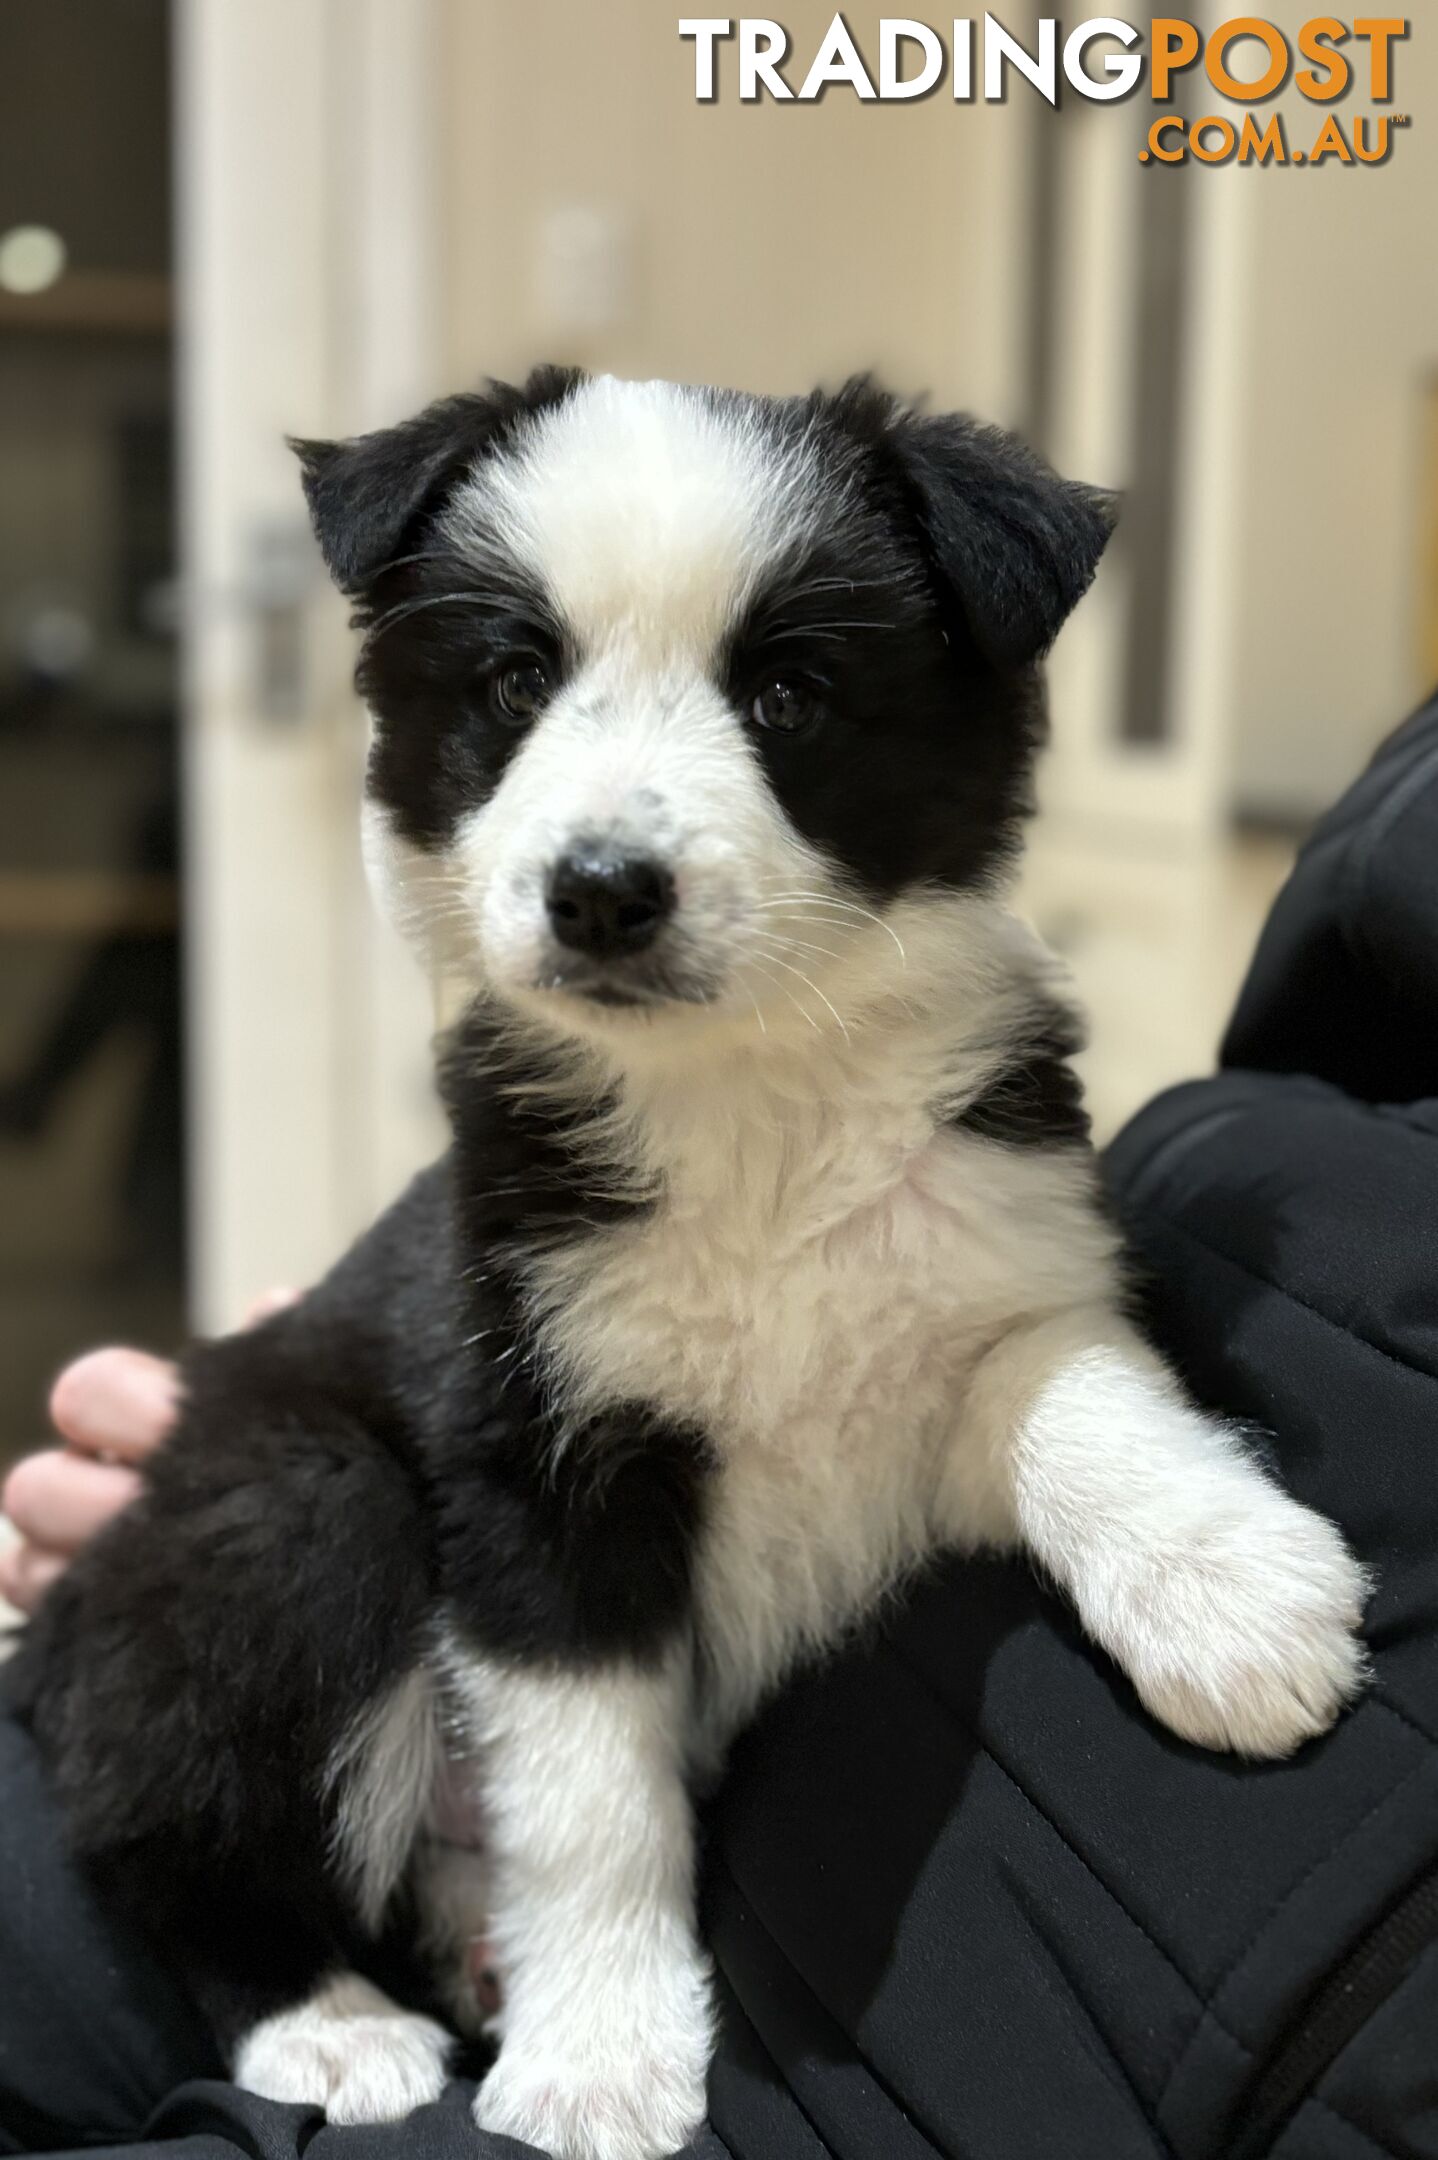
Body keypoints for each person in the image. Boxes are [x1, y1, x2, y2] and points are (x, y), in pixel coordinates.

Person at [4, 699, 1437, 2160]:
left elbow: (963, 1374)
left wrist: (1131, 1498)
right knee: (287, 1543)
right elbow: (518, 1503)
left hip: (778, 1976)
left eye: (777, 701)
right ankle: (268, 1966)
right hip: (359, 1770)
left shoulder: (976, 1078)